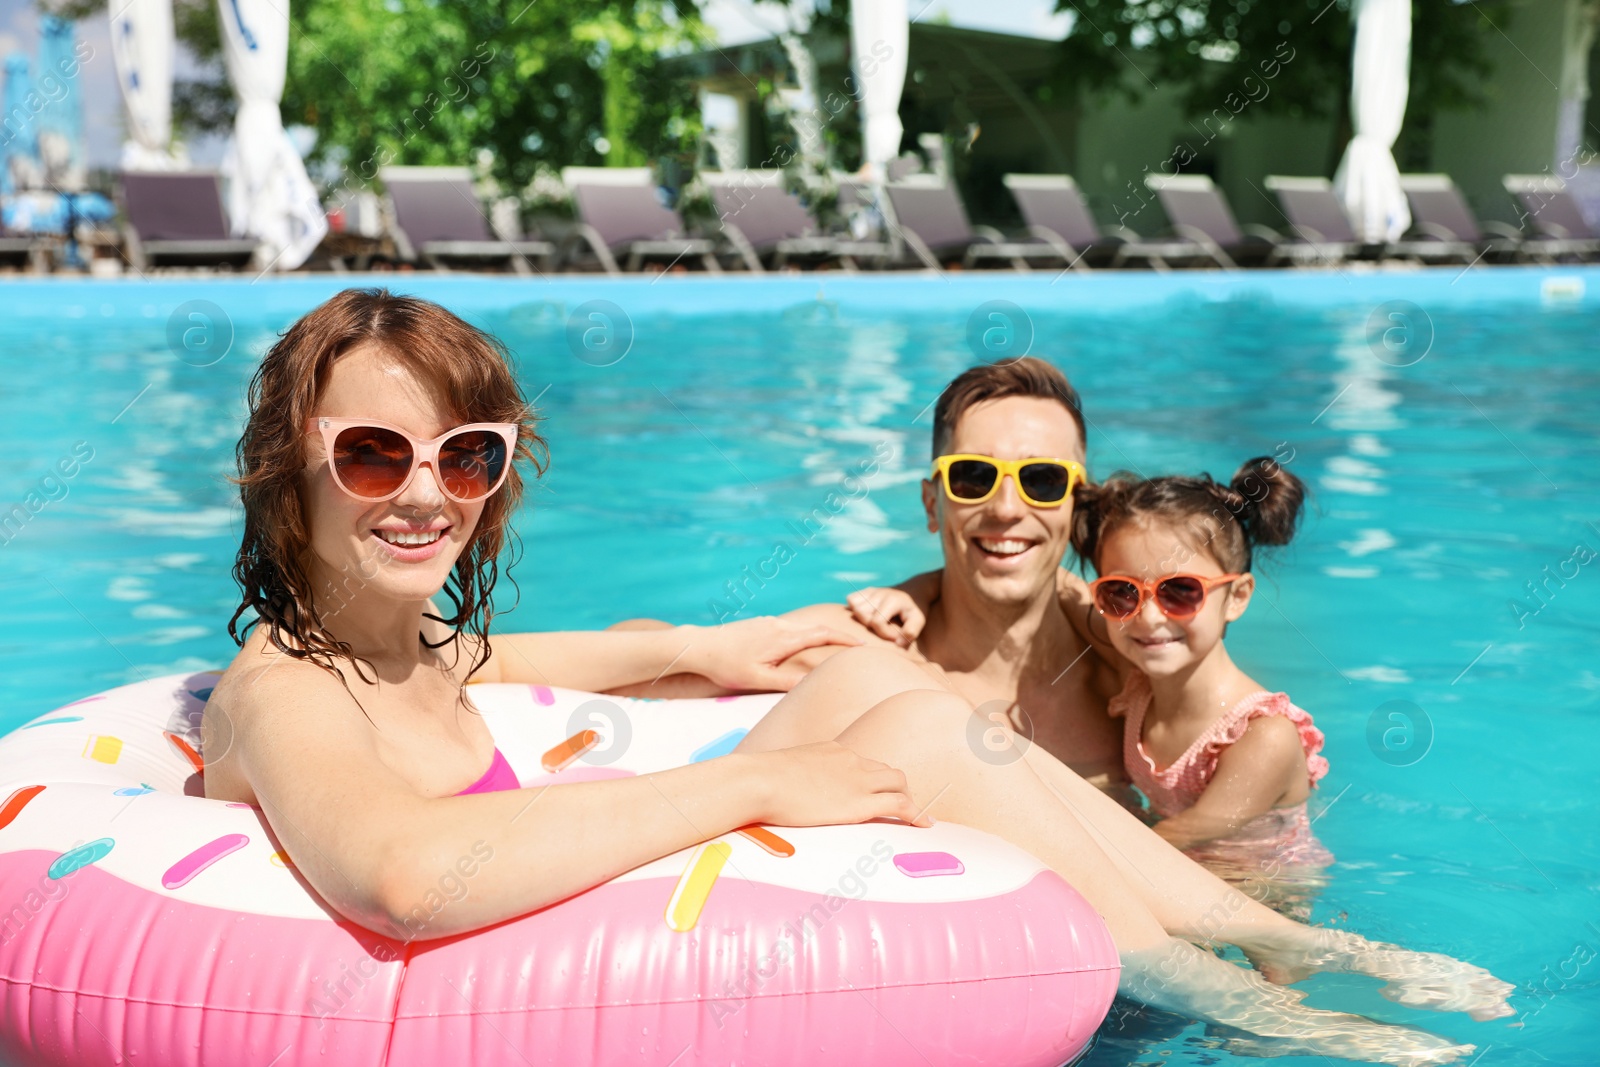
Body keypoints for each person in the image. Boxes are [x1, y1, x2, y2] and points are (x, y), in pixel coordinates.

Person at [203, 290, 1509, 1063]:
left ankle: (1295, 940)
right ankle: (1244, 995)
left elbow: (526, 654)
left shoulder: (400, 644)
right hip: (568, 962)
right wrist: (771, 777)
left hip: (631, 887)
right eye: (375, 455)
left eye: (469, 457)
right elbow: (410, 877)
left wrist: (694, 647)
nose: (429, 491)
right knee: (917, 732)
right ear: (286, 466)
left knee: (905, 702)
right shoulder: (284, 689)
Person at [613, 358, 1133, 795]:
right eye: (972, 476)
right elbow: (637, 656)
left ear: (1076, 504)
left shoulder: (1130, 671)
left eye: (1042, 480)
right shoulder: (864, 651)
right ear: (933, 504)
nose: (1005, 508)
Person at [1070, 458, 1335, 915]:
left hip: (1270, 895)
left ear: (1237, 597)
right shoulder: (1140, 687)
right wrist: (919, 592)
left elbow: (1191, 830)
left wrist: (1073, 857)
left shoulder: (1262, 734)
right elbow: (1050, 590)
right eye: (1121, 593)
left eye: (1179, 591)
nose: (1148, 617)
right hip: (1189, 878)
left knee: (1275, 985)